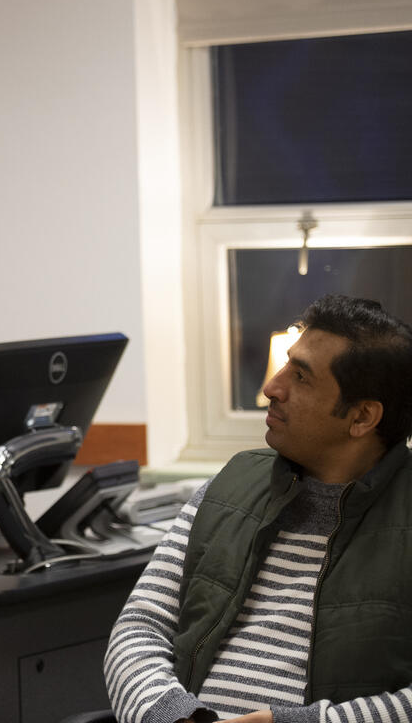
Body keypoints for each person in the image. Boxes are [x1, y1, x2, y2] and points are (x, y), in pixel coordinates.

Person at [104, 294, 412, 723]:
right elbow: (139, 627)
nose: (272, 387)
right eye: (287, 364)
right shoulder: (228, 487)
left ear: (361, 417)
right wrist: (175, 716)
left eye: (301, 377)